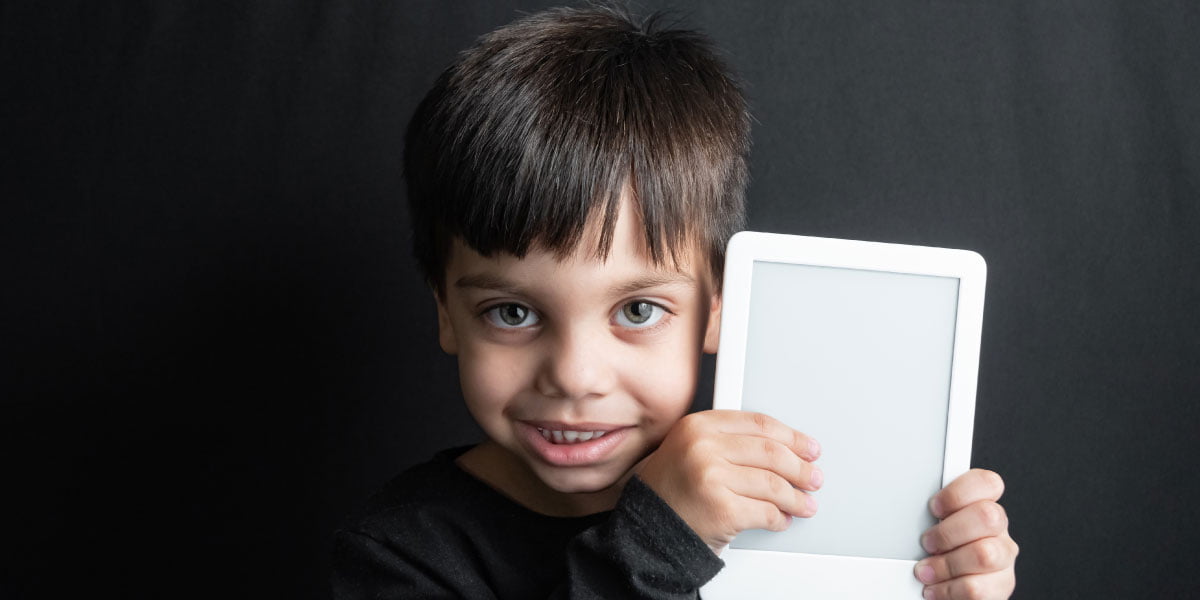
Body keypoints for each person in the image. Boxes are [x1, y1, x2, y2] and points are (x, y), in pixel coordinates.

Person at [331, 6, 1018, 599]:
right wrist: (661, 542)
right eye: (513, 313)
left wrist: (941, 584)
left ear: (720, 306)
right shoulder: (399, 553)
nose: (574, 376)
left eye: (636, 311)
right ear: (448, 312)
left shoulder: (785, 517)